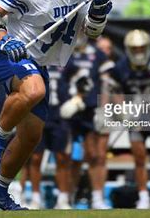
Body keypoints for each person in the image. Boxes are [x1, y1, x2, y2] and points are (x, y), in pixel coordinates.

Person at [0, 0, 112, 210]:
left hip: (39, 63)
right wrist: (4, 40)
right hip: (12, 54)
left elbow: (92, 32)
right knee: (34, 90)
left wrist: (100, 7)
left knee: (31, 136)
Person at [108, 29, 150, 209]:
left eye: (141, 48)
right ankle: (144, 195)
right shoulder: (120, 67)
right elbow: (116, 91)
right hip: (135, 117)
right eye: (135, 49)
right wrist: (122, 109)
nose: (138, 52)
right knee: (139, 158)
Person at [60, 37, 111, 210]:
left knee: (94, 155)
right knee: (66, 156)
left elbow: (105, 83)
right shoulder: (62, 51)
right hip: (66, 111)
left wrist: (103, 108)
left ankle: (97, 197)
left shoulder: (97, 54)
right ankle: (66, 197)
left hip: (89, 110)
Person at [28, 65, 71, 209]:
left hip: (58, 116)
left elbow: (78, 82)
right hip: (38, 115)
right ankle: (35, 197)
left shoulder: (64, 61)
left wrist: (76, 99)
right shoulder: (33, 61)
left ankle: (63, 198)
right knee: (35, 158)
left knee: (62, 157)